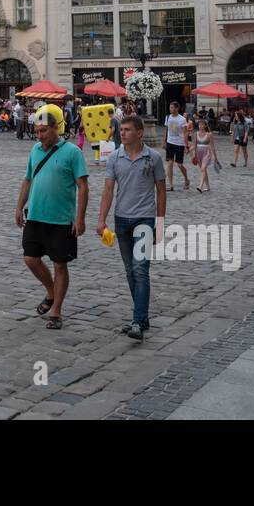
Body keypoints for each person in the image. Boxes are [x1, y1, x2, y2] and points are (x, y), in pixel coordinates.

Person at [14, 104, 88, 331]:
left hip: (61, 219)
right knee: (30, 259)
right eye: (37, 131)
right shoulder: (35, 150)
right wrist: (19, 207)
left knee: (60, 265)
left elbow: (83, 187)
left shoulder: (73, 153)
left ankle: (56, 309)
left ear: (57, 128)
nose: (39, 135)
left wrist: (80, 218)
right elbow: (28, 180)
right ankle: (50, 290)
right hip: (36, 215)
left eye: (43, 130)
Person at [96, 113, 167, 342]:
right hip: (121, 219)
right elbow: (108, 190)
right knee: (129, 270)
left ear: (139, 133)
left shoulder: (153, 158)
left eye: (127, 130)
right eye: (122, 129)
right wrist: (101, 219)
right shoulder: (115, 157)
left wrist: (160, 222)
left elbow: (161, 191)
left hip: (144, 219)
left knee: (140, 269)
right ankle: (142, 316)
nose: (122, 133)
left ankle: (137, 321)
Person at [162, 101, 191, 192]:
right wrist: (164, 141)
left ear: (177, 108)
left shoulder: (182, 119)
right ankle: (170, 185)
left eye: (173, 107)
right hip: (170, 142)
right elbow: (166, 130)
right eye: (170, 107)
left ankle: (186, 178)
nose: (171, 109)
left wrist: (186, 145)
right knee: (170, 163)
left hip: (179, 143)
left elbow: (185, 132)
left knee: (179, 164)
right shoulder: (168, 117)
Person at [192, 118, 215, 192]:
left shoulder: (209, 134)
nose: (200, 126)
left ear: (205, 126)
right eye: (199, 125)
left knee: (203, 168)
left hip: (207, 153)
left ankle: (200, 186)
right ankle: (208, 187)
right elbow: (194, 145)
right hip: (198, 154)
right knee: (203, 170)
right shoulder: (196, 134)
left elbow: (212, 146)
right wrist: (190, 152)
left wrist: (216, 157)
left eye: (202, 125)